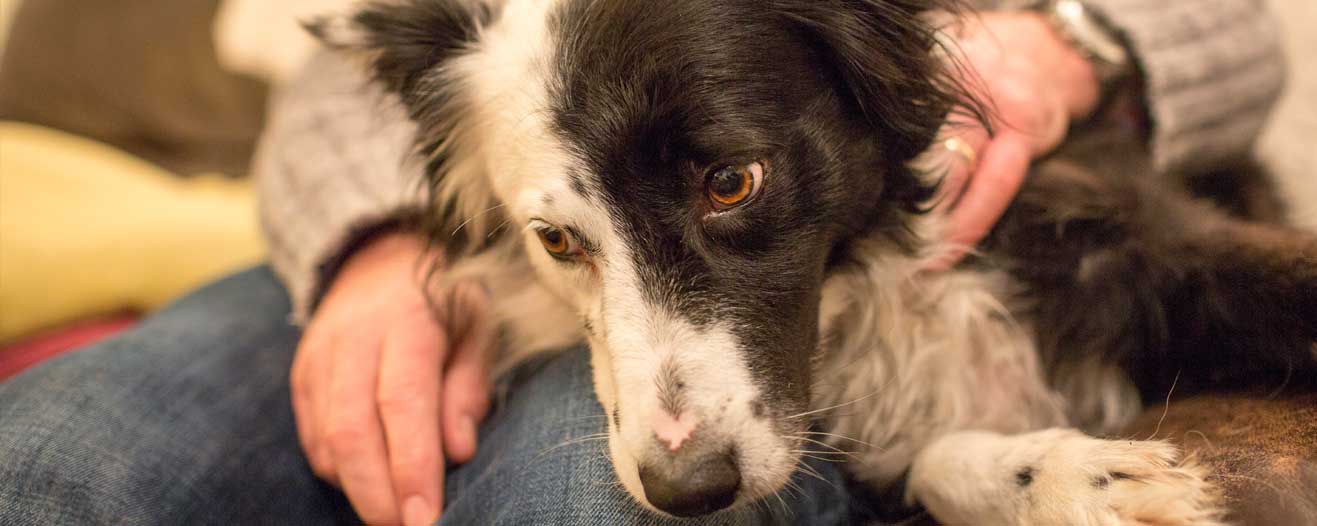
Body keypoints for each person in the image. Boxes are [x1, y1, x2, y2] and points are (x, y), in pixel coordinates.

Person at [0, 1, 1286, 524]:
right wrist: (373, 243)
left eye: (727, 185)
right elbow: (351, 77)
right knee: (43, 461)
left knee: (584, 507)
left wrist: (1064, 40)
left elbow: (1235, 21)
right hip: (435, 248)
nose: (675, 431)